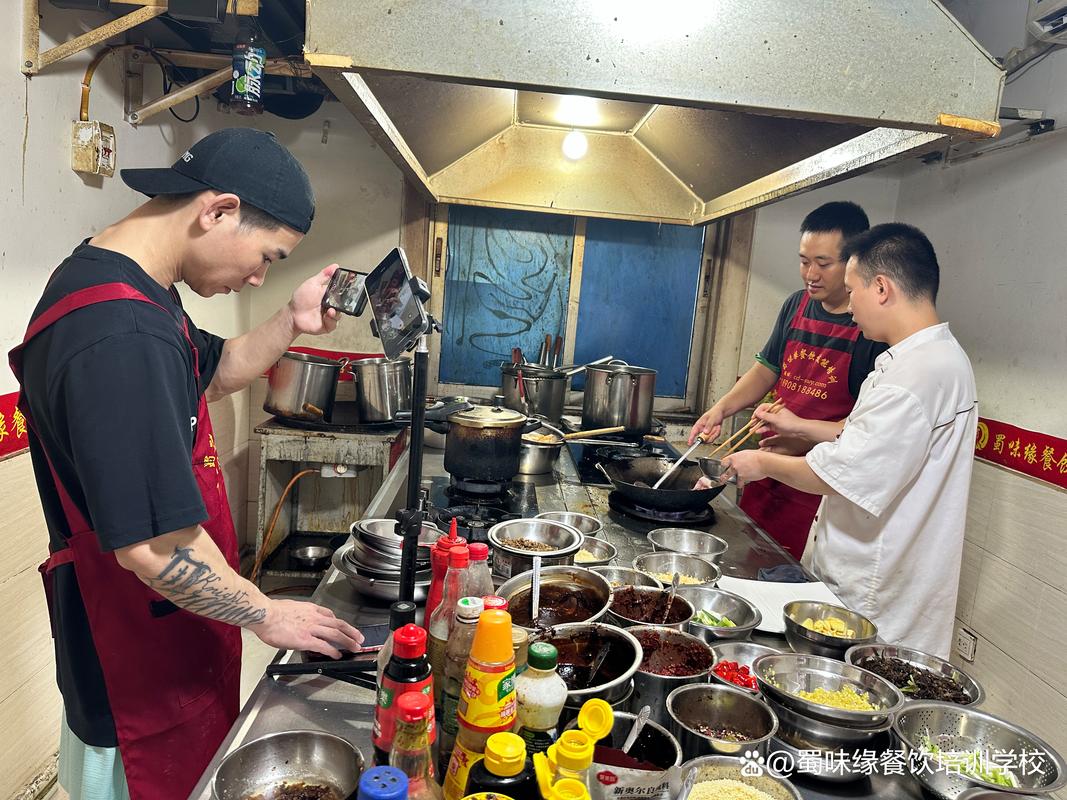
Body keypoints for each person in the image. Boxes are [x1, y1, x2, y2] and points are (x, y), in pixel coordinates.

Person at [9, 129, 366, 800]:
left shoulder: (127, 284)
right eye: (267, 257)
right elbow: (150, 548)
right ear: (218, 210)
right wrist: (264, 611)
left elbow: (217, 369)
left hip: (162, 634)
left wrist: (291, 320)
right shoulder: (120, 334)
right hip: (133, 665)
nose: (260, 276)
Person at [719, 223, 978, 658]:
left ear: (881, 288)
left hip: (875, 598)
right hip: (866, 583)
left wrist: (760, 464)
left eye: (853, 289)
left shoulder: (916, 376)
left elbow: (839, 476)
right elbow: (864, 443)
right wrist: (799, 428)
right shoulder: (926, 360)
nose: (849, 304)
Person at [688, 201, 886, 558]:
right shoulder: (796, 306)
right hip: (766, 470)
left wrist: (799, 431)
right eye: (804, 261)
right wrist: (720, 408)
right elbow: (767, 369)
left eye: (823, 263)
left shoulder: (870, 331)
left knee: (792, 575)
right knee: (749, 562)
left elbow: (862, 427)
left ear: (855, 261)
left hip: (815, 483)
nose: (810, 273)